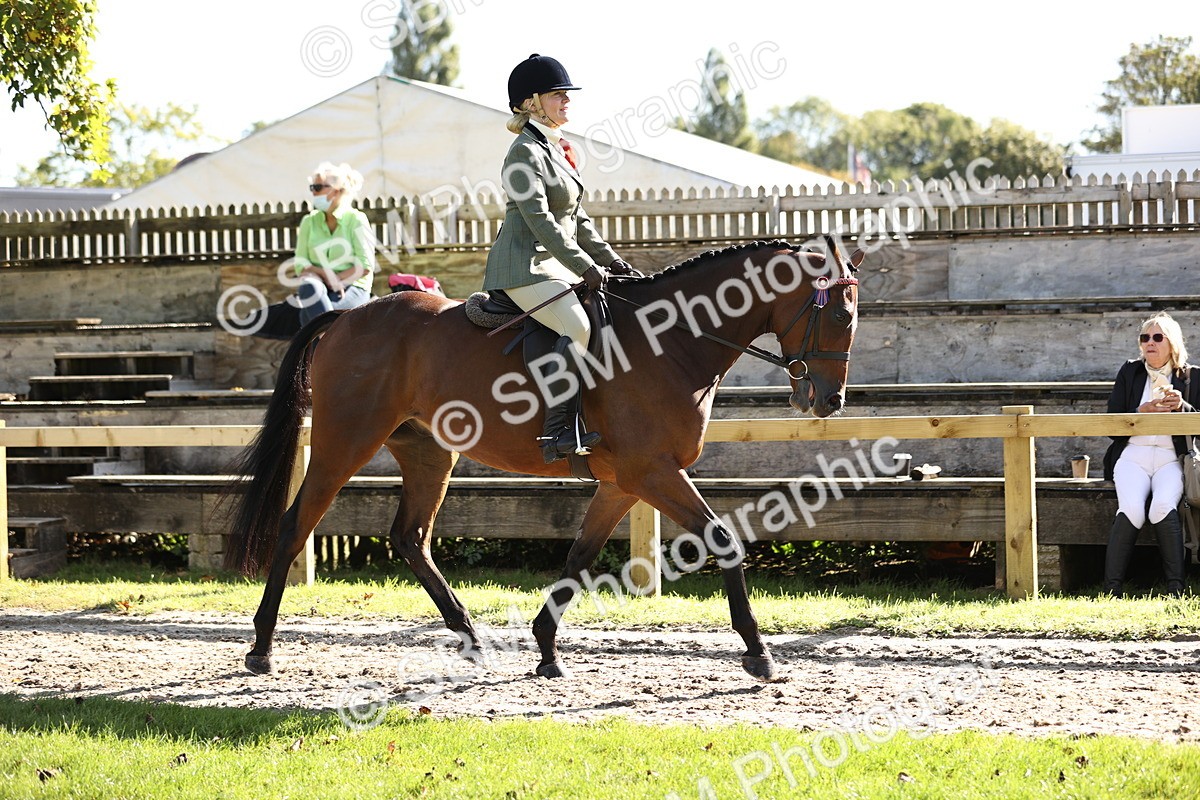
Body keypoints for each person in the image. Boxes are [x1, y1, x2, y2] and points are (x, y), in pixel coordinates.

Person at [482, 54, 636, 464]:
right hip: (523, 266)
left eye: (567, 95)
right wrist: (584, 267)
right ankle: (558, 433)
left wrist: (614, 263)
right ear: (531, 102)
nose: (567, 101)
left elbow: (578, 220)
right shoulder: (522, 153)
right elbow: (540, 222)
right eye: (557, 95)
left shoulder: (556, 148)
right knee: (579, 325)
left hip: (553, 264)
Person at [1101, 312, 1198, 595]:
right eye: (1145, 338)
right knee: (1131, 509)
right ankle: (1111, 590)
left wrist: (1183, 407)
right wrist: (1138, 413)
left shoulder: (1192, 376)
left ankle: (1176, 588)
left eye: (1158, 337)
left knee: (1161, 508)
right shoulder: (1129, 371)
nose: (1150, 343)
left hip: (1171, 459)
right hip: (1133, 457)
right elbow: (1111, 423)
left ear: (1173, 343)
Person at [291, 162, 375, 326]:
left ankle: (322, 347)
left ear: (336, 191)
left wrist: (338, 280)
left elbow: (364, 266)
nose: (313, 192)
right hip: (319, 283)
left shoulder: (356, 219)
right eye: (312, 187)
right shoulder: (309, 221)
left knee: (307, 317)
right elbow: (300, 263)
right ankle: (331, 346)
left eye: (318, 187)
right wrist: (325, 275)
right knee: (308, 288)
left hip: (353, 286)